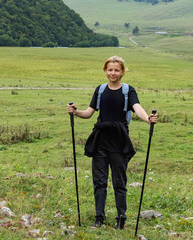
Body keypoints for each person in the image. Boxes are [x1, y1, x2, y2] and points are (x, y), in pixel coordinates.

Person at [67, 56, 158, 230]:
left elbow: (137, 107)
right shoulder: (100, 90)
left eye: (116, 70)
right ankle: (99, 218)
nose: (113, 73)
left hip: (119, 143)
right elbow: (89, 112)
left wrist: (148, 119)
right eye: (110, 70)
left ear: (122, 72)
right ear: (105, 71)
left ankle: (121, 219)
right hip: (100, 142)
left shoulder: (128, 91)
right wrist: (75, 112)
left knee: (119, 183)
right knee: (99, 182)